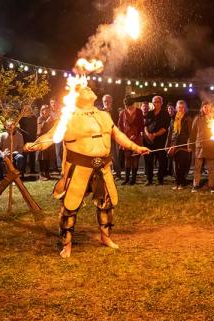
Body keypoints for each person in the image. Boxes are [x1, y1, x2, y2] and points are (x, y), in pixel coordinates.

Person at [24, 83, 149, 258]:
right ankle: (66, 244)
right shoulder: (69, 117)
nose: (87, 87)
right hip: (79, 169)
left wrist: (136, 147)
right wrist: (36, 145)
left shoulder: (104, 115)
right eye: (82, 88)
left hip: (103, 168)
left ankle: (105, 237)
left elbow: (118, 134)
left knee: (106, 205)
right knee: (70, 208)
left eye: (88, 87)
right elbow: (52, 136)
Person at [189, 101, 214, 193]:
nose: (207, 109)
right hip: (200, 146)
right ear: (202, 108)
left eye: (208, 107)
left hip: (211, 147)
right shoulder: (197, 119)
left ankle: (211, 186)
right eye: (205, 107)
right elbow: (193, 133)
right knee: (197, 167)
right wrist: (190, 145)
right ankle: (196, 184)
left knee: (211, 168)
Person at [143, 95, 170, 185]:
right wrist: (148, 134)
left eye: (158, 101)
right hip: (149, 141)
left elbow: (165, 128)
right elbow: (145, 126)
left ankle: (160, 179)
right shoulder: (150, 113)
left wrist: (154, 134)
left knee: (162, 161)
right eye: (154, 102)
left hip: (160, 140)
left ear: (161, 103)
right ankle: (149, 179)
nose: (156, 103)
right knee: (148, 160)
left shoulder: (165, 114)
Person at [117, 96, 144, 185]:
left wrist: (135, 135)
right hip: (126, 138)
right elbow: (120, 125)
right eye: (128, 107)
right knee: (127, 158)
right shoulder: (122, 113)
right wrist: (123, 136)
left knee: (135, 158)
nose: (130, 109)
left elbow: (141, 126)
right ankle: (127, 178)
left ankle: (133, 179)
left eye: (131, 107)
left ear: (134, 104)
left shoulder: (139, 112)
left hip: (136, 138)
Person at [167, 100, 193, 190]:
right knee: (175, 164)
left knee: (182, 165)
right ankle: (177, 182)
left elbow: (191, 133)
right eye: (179, 107)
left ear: (185, 108)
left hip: (184, 144)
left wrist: (190, 144)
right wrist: (168, 144)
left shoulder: (188, 118)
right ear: (176, 108)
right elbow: (171, 132)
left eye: (182, 107)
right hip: (174, 143)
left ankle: (182, 183)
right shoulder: (173, 118)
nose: (180, 109)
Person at [102, 94, 121, 180]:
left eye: (108, 101)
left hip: (112, 137)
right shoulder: (99, 112)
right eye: (105, 101)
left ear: (111, 102)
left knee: (114, 156)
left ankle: (118, 174)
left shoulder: (115, 112)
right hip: (102, 137)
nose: (107, 103)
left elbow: (118, 124)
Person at [36, 105, 55, 181]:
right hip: (42, 139)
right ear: (42, 111)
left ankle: (47, 173)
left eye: (47, 109)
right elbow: (40, 130)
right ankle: (41, 174)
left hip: (49, 139)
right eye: (44, 110)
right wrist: (47, 122)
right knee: (42, 157)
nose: (46, 111)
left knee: (48, 156)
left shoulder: (51, 118)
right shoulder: (40, 118)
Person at [19, 109, 38, 174]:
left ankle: (32, 169)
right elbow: (20, 128)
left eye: (29, 109)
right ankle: (23, 169)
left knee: (32, 154)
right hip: (24, 138)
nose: (28, 111)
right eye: (26, 110)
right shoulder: (21, 118)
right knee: (24, 154)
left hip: (32, 138)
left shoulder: (34, 118)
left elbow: (36, 127)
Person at [49, 98, 62, 172]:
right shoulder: (49, 112)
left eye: (55, 103)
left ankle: (59, 166)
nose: (53, 104)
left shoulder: (61, 112)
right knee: (52, 151)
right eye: (52, 103)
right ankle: (54, 167)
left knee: (58, 151)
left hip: (59, 134)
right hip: (51, 134)